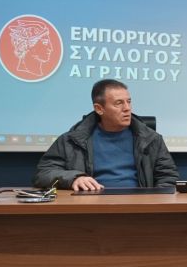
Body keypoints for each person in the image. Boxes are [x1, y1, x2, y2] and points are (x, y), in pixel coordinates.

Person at [33, 79, 178, 191]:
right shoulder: (72, 140)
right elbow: (43, 174)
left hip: (139, 206)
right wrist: (73, 178)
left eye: (128, 102)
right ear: (99, 109)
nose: (127, 108)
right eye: (118, 103)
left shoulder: (151, 139)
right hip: (91, 206)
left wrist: (154, 202)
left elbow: (168, 177)